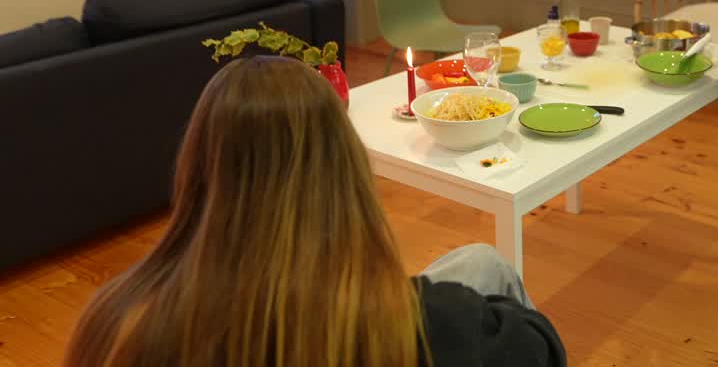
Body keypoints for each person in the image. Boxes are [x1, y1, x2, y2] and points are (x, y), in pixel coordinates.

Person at [64, 56, 566, 367]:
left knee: (482, 260)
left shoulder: (114, 323)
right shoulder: (426, 326)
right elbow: (544, 351)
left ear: (199, 169)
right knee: (489, 271)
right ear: (342, 172)